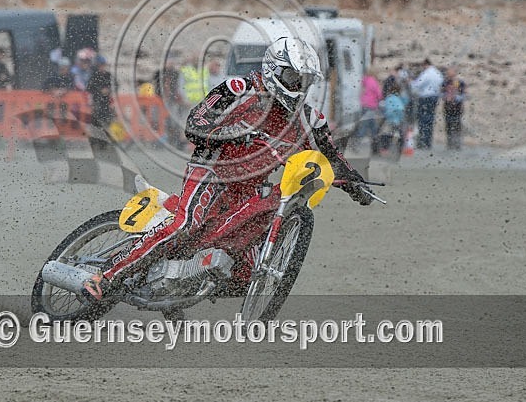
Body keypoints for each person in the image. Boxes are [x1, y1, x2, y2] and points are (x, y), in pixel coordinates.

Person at [78, 37, 373, 301]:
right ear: (274, 69)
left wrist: (355, 184)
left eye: (304, 81)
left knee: (244, 274)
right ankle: (106, 276)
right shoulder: (239, 89)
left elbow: (332, 158)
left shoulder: (310, 119)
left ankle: (184, 284)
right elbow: (196, 123)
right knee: (186, 225)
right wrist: (232, 133)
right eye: (293, 77)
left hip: (249, 188)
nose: (298, 86)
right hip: (213, 169)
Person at [410, 58, 444, 150]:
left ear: (425, 64)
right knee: (430, 119)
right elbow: (441, 83)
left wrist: (410, 82)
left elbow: (417, 84)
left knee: (423, 119)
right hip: (435, 97)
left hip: (425, 98)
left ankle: (423, 142)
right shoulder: (438, 73)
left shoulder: (426, 73)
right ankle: (428, 142)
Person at [441, 66, 466, 150]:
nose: (449, 75)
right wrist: (445, 96)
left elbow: (465, 94)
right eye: (448, 73)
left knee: (457, 125)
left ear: (454, 73)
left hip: (458, 107)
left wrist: (456, 97)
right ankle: (449, 143)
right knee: (448, 125)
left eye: (450, 73)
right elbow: (441, 93)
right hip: (447, 107)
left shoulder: (460, 82)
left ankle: (457, 144)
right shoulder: (445, 82)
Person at [87, 56, 114, 129]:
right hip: (97, 102)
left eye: (103, 65)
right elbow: (89, 88)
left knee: (109, 121)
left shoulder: (108, 75)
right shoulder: (94, 76)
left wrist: (108, 90)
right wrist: (100, 91)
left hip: (107, 102)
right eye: (100, 65)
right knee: (97, 122)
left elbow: (116, 85)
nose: (102, 67)